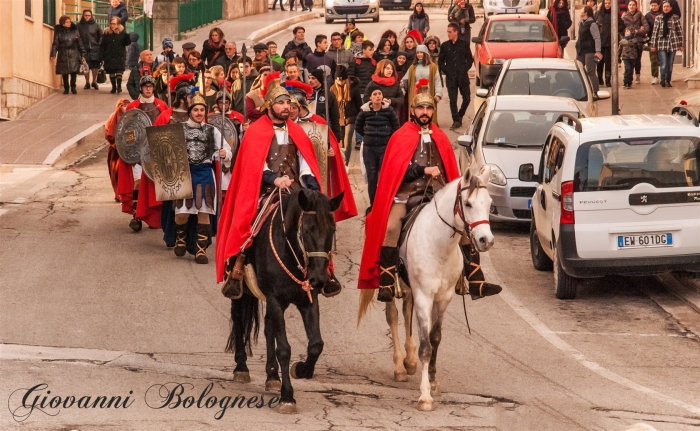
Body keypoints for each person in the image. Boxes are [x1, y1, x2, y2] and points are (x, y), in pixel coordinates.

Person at [357, 82, 502, 302]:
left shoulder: (441, 136)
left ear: (433, 111)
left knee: (462, 226)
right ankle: (386, 281)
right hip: (406, 194)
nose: (425, 113)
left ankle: (475, 280)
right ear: (413, 111)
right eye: (421, 108)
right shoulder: (400, 136)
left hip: (437, 194)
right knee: (393, 227)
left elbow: (451, 170)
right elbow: (396, 171)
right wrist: (422, 169)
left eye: (428, 109)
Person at [215, 77, 342, 297]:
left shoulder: (297, 131)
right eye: (281, 103)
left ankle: (326, 272)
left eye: (289, 104)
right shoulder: (255, 132)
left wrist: (312, 187)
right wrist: (274, 179)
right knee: (248, 221)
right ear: (269, 106)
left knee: (318, 223)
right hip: (264, 188)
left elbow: (304, 162)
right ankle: (237, 269)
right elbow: (255, 164)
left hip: (295, 189)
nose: (286, 108)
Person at [118, 71, 168, 232]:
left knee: (157, 185)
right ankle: (135, 216)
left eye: (150, 86)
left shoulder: (162, 106)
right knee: (138, 183)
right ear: (140, 88)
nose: (148, 89)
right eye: (145, 86)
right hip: (138, 152)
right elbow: (127, 131)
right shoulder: (133, 107)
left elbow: (166, 128)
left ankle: (154, 216)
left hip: (156, 151)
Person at [355, 88, 400, 206]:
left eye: (379, 94)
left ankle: (385, 204)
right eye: (374, 94)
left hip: (384, 147)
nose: (378, 96)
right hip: (369, 148)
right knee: (372, 177)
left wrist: (388, 136)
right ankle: (373, 205)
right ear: (370, 98)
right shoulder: (364, 111)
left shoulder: (388, 110)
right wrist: (368, 135)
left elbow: (396, 126)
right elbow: (358, 127)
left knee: (385, 177)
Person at [438, 23, 473, 130]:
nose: (448, 34)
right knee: (452, 100)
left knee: (466, 98)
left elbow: (470, 59)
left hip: (462, 77)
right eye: (447, 32)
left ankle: (460, 115)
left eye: (450, 32)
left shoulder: (464, 44)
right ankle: (456, 121)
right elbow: (440, 62)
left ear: (456, 32)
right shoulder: (445, 46)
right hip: (451, 77)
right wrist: (447, 71)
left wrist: (464, 69)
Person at [403, 45, 442, 124]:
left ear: (426, 54)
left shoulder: (433, 67)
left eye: (421, 52)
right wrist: (402, 89)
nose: (419, 54)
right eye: (418, 53)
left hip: (428, 95)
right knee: (416, 112)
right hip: (415, 96)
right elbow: (405, 80)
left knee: (427, 112)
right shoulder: (412, 67)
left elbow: (437, 81)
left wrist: (438, 94)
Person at [331, 65, 362, 161]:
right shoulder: (332, 89)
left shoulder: (354, 88)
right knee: (341, 143)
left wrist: (359, 118)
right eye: (338, 80)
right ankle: (341, 161)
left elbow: (359, 105)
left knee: (347, 141)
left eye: (342, 80)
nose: (340, 82)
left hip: (351, 118)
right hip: (338, 118)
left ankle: (346, 163)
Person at [650, 0, 683, 87]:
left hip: (672, 43)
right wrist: (653, 44)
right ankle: (663, 79)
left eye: (667, 6)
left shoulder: (675, 17)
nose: (666, 8)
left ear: (671, 8)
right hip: (662, 43)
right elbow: (655, 32)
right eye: (664, 7)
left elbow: (679, 31)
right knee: (663, 63)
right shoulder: (658, 18)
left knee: (670, 64)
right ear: (662, 8)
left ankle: (668, 80)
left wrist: (681, 44)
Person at [51, 15, 86, 96]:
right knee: (65, 72)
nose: (69, 23)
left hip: (74, 53)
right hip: (63, 53)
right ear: (63, 23)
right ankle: (66, 88)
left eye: (69, 22)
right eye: (67, 22)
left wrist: (83, 53)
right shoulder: (59, 32)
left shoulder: (75, 31)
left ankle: (73, 87)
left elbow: (79, 43)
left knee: (74, 72)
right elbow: (55, 44)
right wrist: (53, 54)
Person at [105, 98, 130, 201]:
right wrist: (118, 145)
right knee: (117, 173)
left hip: (128, 151)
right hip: (116, 152)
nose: (125, 108)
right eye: (123, 105)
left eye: (127, 105)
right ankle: (118, 194)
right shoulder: (113, 118)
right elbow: (109, 134)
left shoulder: (131, 117)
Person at [308, 69, 342, 142]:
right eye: (309, 78)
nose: (310, 80)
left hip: (324, 129)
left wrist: (337, 137)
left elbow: (335, 117)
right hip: (308, 129)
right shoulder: (306, 94)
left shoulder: (329, 95)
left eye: (313, 78)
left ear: (320, 79)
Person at [576, 6, 603, 94]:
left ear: (586, 12)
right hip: (581, 51)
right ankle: (581, 89)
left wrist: (598, 51)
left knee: (591, 71)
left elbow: (597, 38)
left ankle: (595, 91)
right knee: (578, 70)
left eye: (582, 10)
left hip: (590, 51)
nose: (580, 11)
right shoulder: (581, 22)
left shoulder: (592, 24)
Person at [621, 0, 649, 85]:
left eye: (633, 5)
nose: (632, 6)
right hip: (627, 43)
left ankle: (637, 74)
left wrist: (638, 32)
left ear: (636, 6)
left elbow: (646, 28)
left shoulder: (640, 15)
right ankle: (628, 77)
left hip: (638, 41)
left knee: (637, 60)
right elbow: (621, 29)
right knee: (627, 61)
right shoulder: (624, 16)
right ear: (628, 6)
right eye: (630, 5)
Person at [101, 16, 130, 94]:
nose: (112, 25)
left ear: (118, 24)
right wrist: (102, 55)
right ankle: (114, 87)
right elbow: (102, 44)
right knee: (111, 71)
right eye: (111, 24)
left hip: (119, 54)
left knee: (119, 71)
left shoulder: (122, 33)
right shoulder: (106, 33)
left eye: (114, 24)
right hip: (109, 54)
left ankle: (119, 87)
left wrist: (129, 37)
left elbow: (127, 43)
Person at [77, 10, 102, 90]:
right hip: (84, 49)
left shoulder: (96, 25)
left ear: (91, 16)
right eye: (85, 15)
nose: (87, 17)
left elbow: (101, 36)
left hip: (94, 48)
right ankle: (87, 82)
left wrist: (98, 44)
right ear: (83, 15)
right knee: (85, 66)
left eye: (89, 15)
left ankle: (94, 82)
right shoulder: (79, 25)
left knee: (95, 66)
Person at [596, 0, 617, 87]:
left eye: (609, 3)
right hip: (599, 43)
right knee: (598, 62)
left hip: (609, 43)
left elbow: (621, 25)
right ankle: (599, 78)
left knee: (608, 63)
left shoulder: (615, 14)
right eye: (606, 3)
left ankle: (608, 80)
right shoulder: (598, 14)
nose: (607, 5)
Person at [645, 0, 662, 85]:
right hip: (652, 39)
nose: (654, 7)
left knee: (663, 58)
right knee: (653, 59)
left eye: (655, 5)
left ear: (659, 5)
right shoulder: (647, 16)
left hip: (662, 40)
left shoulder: (663, 14)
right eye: (652, 5)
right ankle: (655, 76)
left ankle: (664, 76)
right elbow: (645, 26)